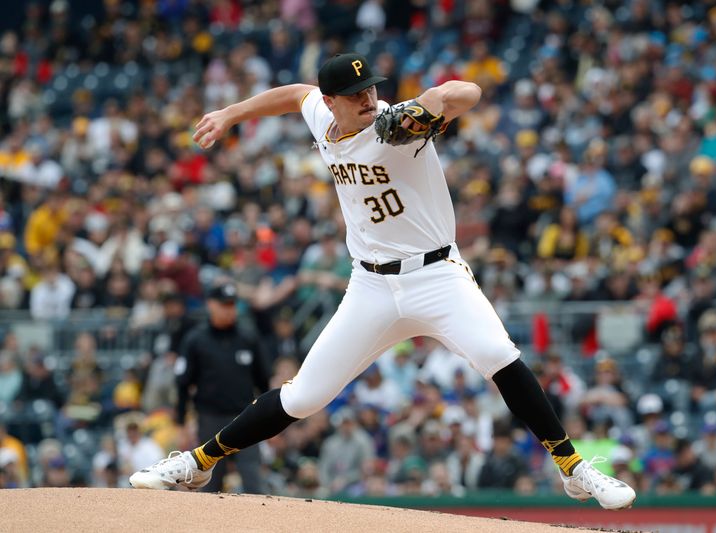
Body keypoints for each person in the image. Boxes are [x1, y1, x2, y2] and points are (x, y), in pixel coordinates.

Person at [130, 53, 636, 509]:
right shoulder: (321, 114)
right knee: (304, 397)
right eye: (354, 94)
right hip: (370, 285)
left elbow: (467, 94)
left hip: (436, 273)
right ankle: (200, 461)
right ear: (331, 102)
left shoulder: (398, 125)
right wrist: (231, 113)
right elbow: (292, 95)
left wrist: (430, 101)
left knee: (497, 354)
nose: (368, 98)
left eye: (371, 87)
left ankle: (573, 469)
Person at [173, 281, 271, 494]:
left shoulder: (248, 338)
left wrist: (269, 419)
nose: (229, 310)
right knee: (211, 480)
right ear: (211, 305)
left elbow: (263, 381)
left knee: (252, 477)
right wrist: (181, 423)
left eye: (232, 305)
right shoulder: (196, 340)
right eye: (224, 305)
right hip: (210, 418)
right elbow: (182, 383)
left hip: (246, 417)